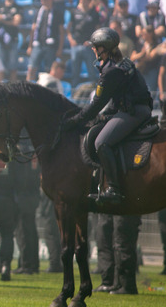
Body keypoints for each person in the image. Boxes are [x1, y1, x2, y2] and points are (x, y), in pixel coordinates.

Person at [64, 28, 154, 203]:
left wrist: (75, 121)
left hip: (133, 112)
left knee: (101, 142)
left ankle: (114, 189)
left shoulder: (110, 71)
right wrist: (106, 115)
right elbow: (117, 97)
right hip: (133, 108)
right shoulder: (122, 62)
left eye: (95, 47)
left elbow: (96, 104)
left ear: (104, 48)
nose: (93, 50)